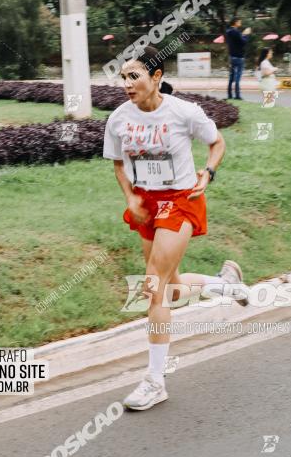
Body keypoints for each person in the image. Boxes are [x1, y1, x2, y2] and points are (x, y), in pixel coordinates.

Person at [103, 45, 247, 411]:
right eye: (123, 77)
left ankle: (154, 381)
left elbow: (217, 142)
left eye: (134, 76)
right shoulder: (119, 118)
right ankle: (224, 285)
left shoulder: (184, 112)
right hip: (146, 205)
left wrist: (208, 171)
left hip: (180, 201)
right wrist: (130, 198)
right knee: (175, 289)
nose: (127, 84)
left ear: (156, 77)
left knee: (154, 287)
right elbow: (119, 164)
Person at [226, 17, 251, 100]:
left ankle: (229, 95)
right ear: (235, 22)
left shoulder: (228, 31)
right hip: (239, 57)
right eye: (239, 22)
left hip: (231, 57)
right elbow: (243, 42)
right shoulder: (236, 32)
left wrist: (242, 34)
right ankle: (237, 95)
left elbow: (237, 40)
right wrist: (246, 34)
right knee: (237, 77)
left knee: (231, 76)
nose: (240, 23)